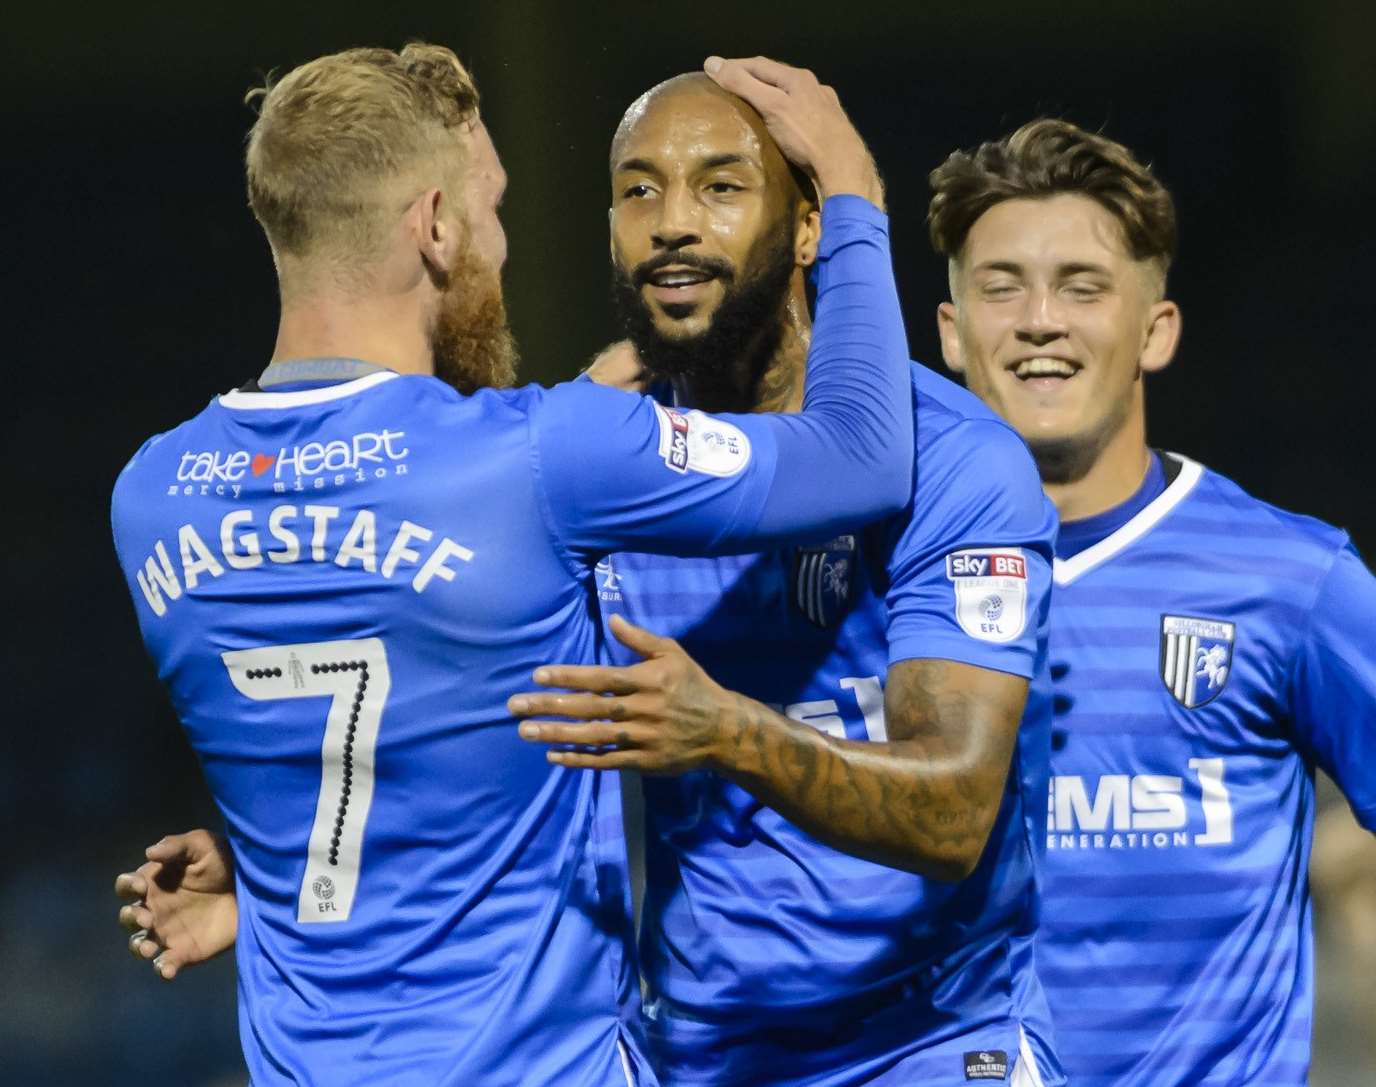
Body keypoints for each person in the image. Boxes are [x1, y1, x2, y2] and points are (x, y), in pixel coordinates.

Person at [116, 70, 1065, 1087]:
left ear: (805, 228)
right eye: (638, 190)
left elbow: (957, 813)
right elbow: (450, 741)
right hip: (683, 1057)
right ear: (436, 227)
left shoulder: (953, 461)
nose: (669, 223)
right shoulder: (567, 465)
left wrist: (734, 729)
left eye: (720, 186)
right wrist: (274, 888)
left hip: (911, 1051)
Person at [925, 117, 1376, 1085]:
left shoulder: (1291, 580)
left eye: (1083, 287)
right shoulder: (881, 579)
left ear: (1157, 330)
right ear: (951, 332)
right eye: (1001, 286)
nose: (1040, 319)